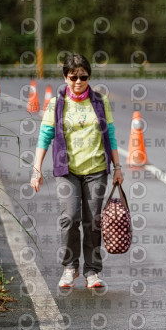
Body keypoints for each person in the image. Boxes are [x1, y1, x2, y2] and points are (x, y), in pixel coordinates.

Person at [30, 53, 123, 289]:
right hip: (66, 170)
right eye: (73, 77)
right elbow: (45, 137)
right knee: (69, 218)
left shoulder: (100, 101)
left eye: (84, 76)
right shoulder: (56, 104)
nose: (79, 81)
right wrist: (36, 169)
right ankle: (70, 267)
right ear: (65, 77)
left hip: (96, 169)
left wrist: (118, 168)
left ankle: (92, 271)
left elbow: (110, 136)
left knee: (93, 220)